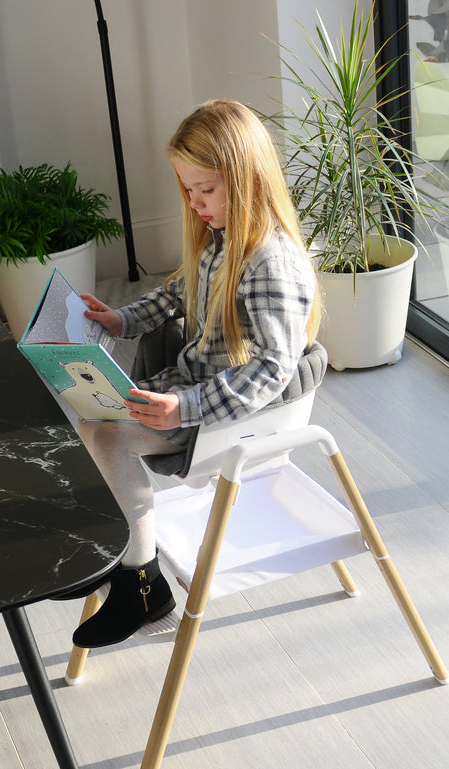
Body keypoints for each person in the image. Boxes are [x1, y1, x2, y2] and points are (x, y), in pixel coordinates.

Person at [71, 99, 321, 648]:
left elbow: (274, 370)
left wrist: (183, 408)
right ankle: (113, 552)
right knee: (83, 413)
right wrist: (121, 318)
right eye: (186, 189)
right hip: (191, 395)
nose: (193, 202)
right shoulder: (222, 241)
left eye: (204, 189)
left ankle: (141, 582)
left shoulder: (269, 262)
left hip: (219, 417)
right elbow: (175, 293)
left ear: (245, 177)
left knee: (105, 435)